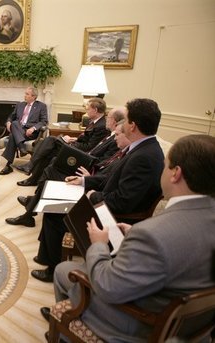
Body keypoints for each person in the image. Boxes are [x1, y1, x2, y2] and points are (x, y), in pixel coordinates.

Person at [50, 134, 215, 341]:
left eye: (165, 166)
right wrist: (134, 237)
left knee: (64, 270)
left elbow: (107, 286)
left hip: (142, 325)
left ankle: (68, 328)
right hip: (196, 327)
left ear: (176, 174)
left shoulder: (151, 233)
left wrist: (99, 245)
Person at [32, 98, 164, 283]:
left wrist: (93, 195)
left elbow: (123, 202)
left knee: (54, 213)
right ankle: (48, 257)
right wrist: (85, 181)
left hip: (114, 218)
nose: (121, 124)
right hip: (106, 204)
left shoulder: (144, 157)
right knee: (55, 197)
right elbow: (111, 178)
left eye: (125, 120)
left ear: (132, 126)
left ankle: (53, 270)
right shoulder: (143, 149)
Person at [6, 108, 125, 228]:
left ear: (114, 121)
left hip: (85, 166)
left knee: (51, 157)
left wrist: (86, 167)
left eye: (108, 117)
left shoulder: (115, 140)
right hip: (84, 159)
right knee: (50, 156)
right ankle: (31, 201)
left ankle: (31, 201)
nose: (106, 119)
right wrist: (75, 141)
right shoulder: (111, 135)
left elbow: (100, 160)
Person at [14, 97, 110, 182]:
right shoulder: (93, 121)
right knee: (48, 151)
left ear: (95, 110)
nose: (86, 111)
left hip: (82, 154)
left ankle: (30, 166)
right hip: (78, 147)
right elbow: (87, 139)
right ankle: (33, 178)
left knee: (50, 140)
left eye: (88, 109)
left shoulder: (101, 126)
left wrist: (72, 143)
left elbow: (90, 147)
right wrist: (74, 139)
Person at [0, 86, 48, 175]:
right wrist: (8, 122)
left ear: (33, 96)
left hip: (30, 132)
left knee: (12, 135)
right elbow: (11, 116)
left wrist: (33, 128)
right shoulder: (20, 105)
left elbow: (44, 121)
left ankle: (8, 165)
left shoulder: (41, 106)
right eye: (25, 93)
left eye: (27, 94)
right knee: (14, 123)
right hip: (19, 129)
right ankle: (21, 148)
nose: (24, 95)